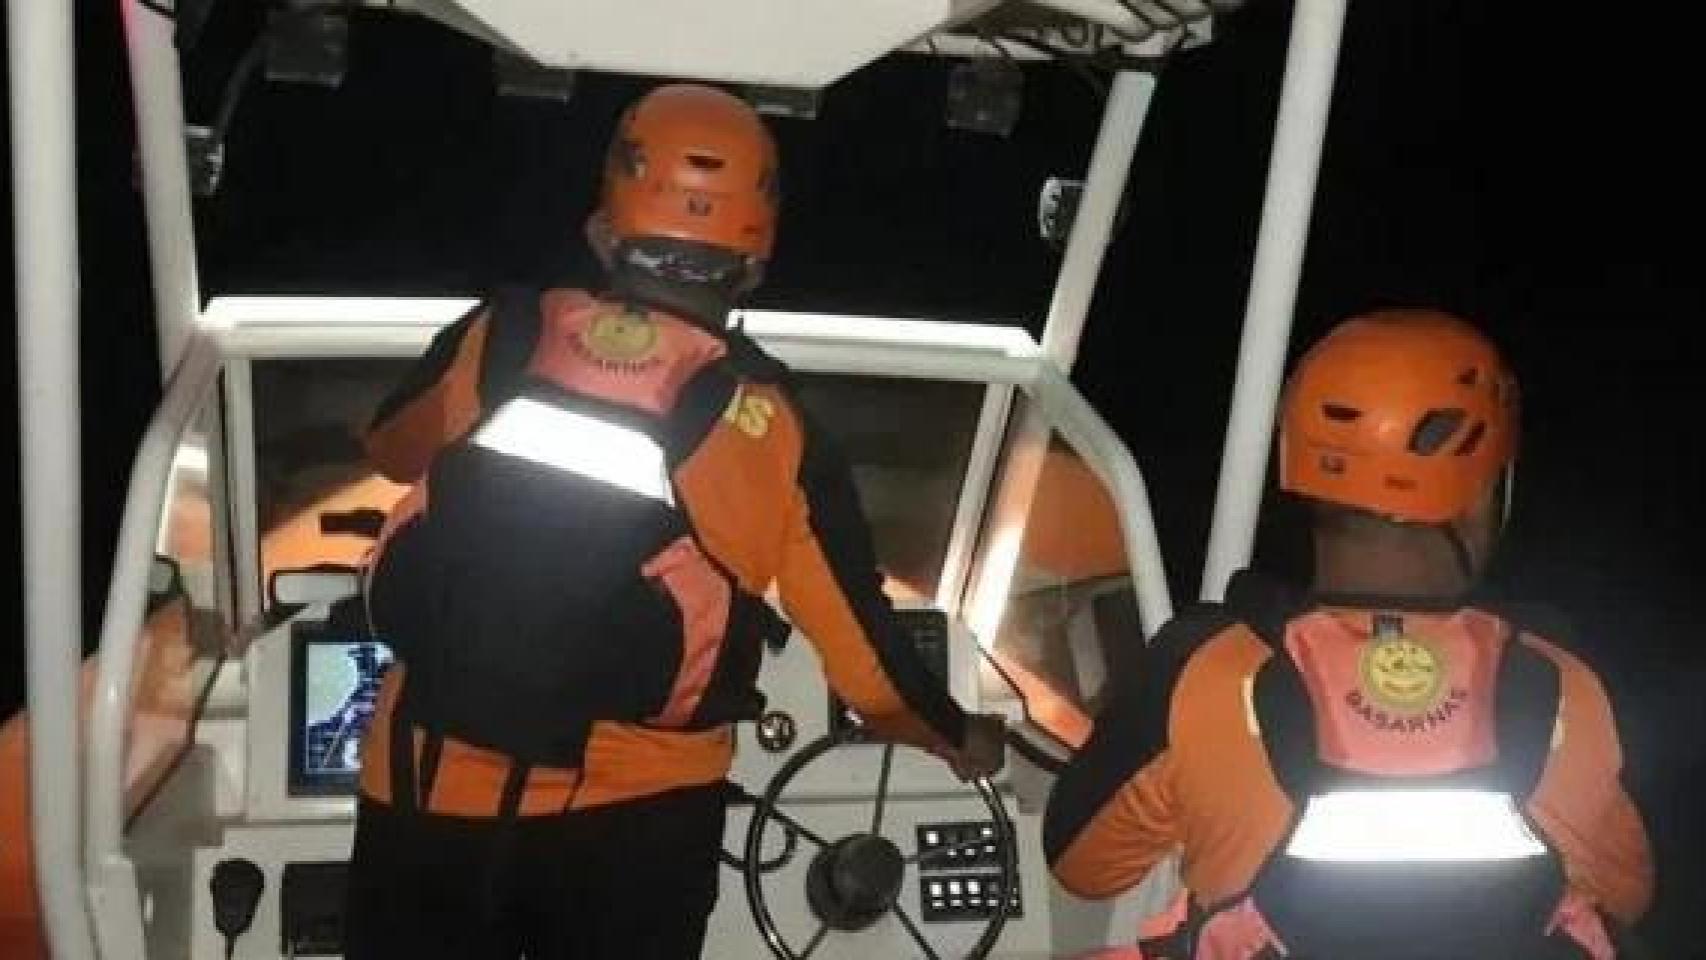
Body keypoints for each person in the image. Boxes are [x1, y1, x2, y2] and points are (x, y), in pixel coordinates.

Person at [342, 83, 1005, 959]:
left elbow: (391, 446)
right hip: (634, 834)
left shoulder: (501, 334)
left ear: (605, 229)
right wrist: (957, 736)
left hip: (426, 795)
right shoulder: (774, 423)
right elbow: (868, 670)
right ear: (756, 262)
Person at [1044, 309, 1652, 959]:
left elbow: (1084, 869)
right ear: (1478, 497)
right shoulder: (1566, 686)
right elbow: (1628, 891)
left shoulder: (1205, 669)